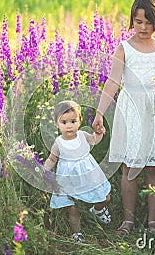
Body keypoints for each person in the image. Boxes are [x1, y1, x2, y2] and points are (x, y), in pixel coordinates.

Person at [92, 0, 155, 235]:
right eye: (138, 21)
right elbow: (112, 82)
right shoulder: (125, 49)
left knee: (154, 168)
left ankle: (153, 222)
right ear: (132, 20)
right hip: (131, 112)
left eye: (148, 22)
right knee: (129, 168)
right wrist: (99, 113)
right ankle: (128, 221)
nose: (143, 27)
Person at [44, 100, 112, 242]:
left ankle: (97, 209)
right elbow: (52, 159)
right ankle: (77, 233)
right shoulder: (58, 142)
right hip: (70, 179)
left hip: (89, 174)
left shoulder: (82, 135)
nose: (69, 126)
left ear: (80, 121)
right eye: (64, 122)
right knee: (72, 207)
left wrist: (99, 133)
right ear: (57, 123)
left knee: (105, 197)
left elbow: (94, 140)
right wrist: (44, 170)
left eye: (73, 121)